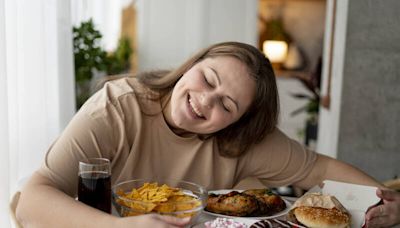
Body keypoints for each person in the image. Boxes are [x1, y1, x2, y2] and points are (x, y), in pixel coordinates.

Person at [16, 42, 400, 228]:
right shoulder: (117, 107)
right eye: (208, 78)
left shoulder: (245, 140)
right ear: (192, 64)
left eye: (227, 105)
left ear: (237, 123)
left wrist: (391, 202)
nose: (205, 101)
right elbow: (32, 197)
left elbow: (319, 167)